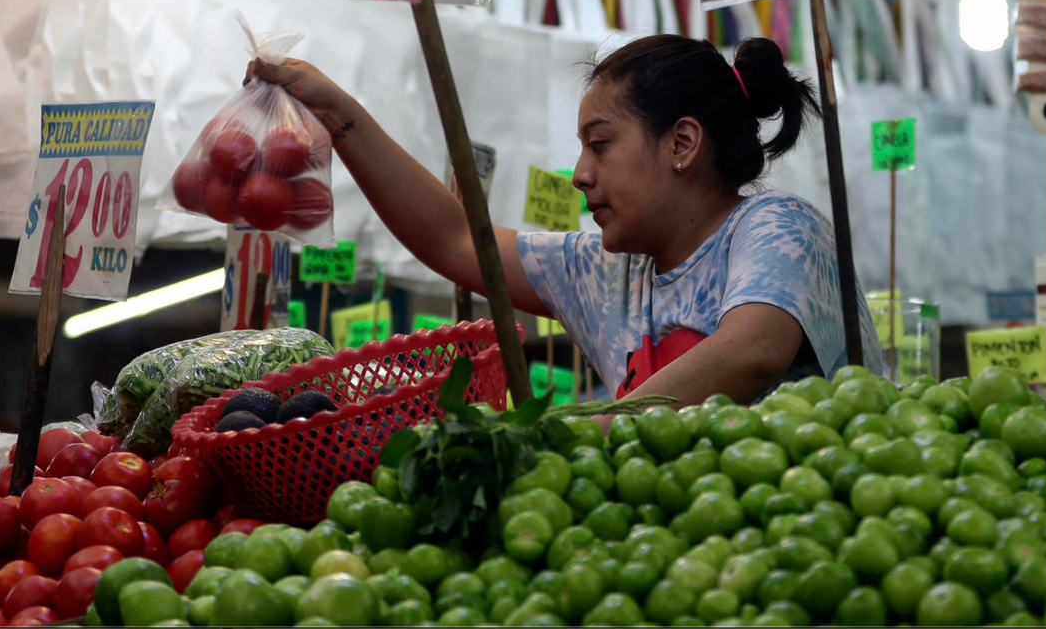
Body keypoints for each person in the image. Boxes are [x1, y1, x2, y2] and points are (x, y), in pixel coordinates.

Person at [253, 34, 885, 406]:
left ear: (682, 143)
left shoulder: (777, 227)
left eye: (599, 144)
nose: (580, 174)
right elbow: (454, 238)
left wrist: (595, 432)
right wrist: (337, 114)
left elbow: (752, 352)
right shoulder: (607, 269)